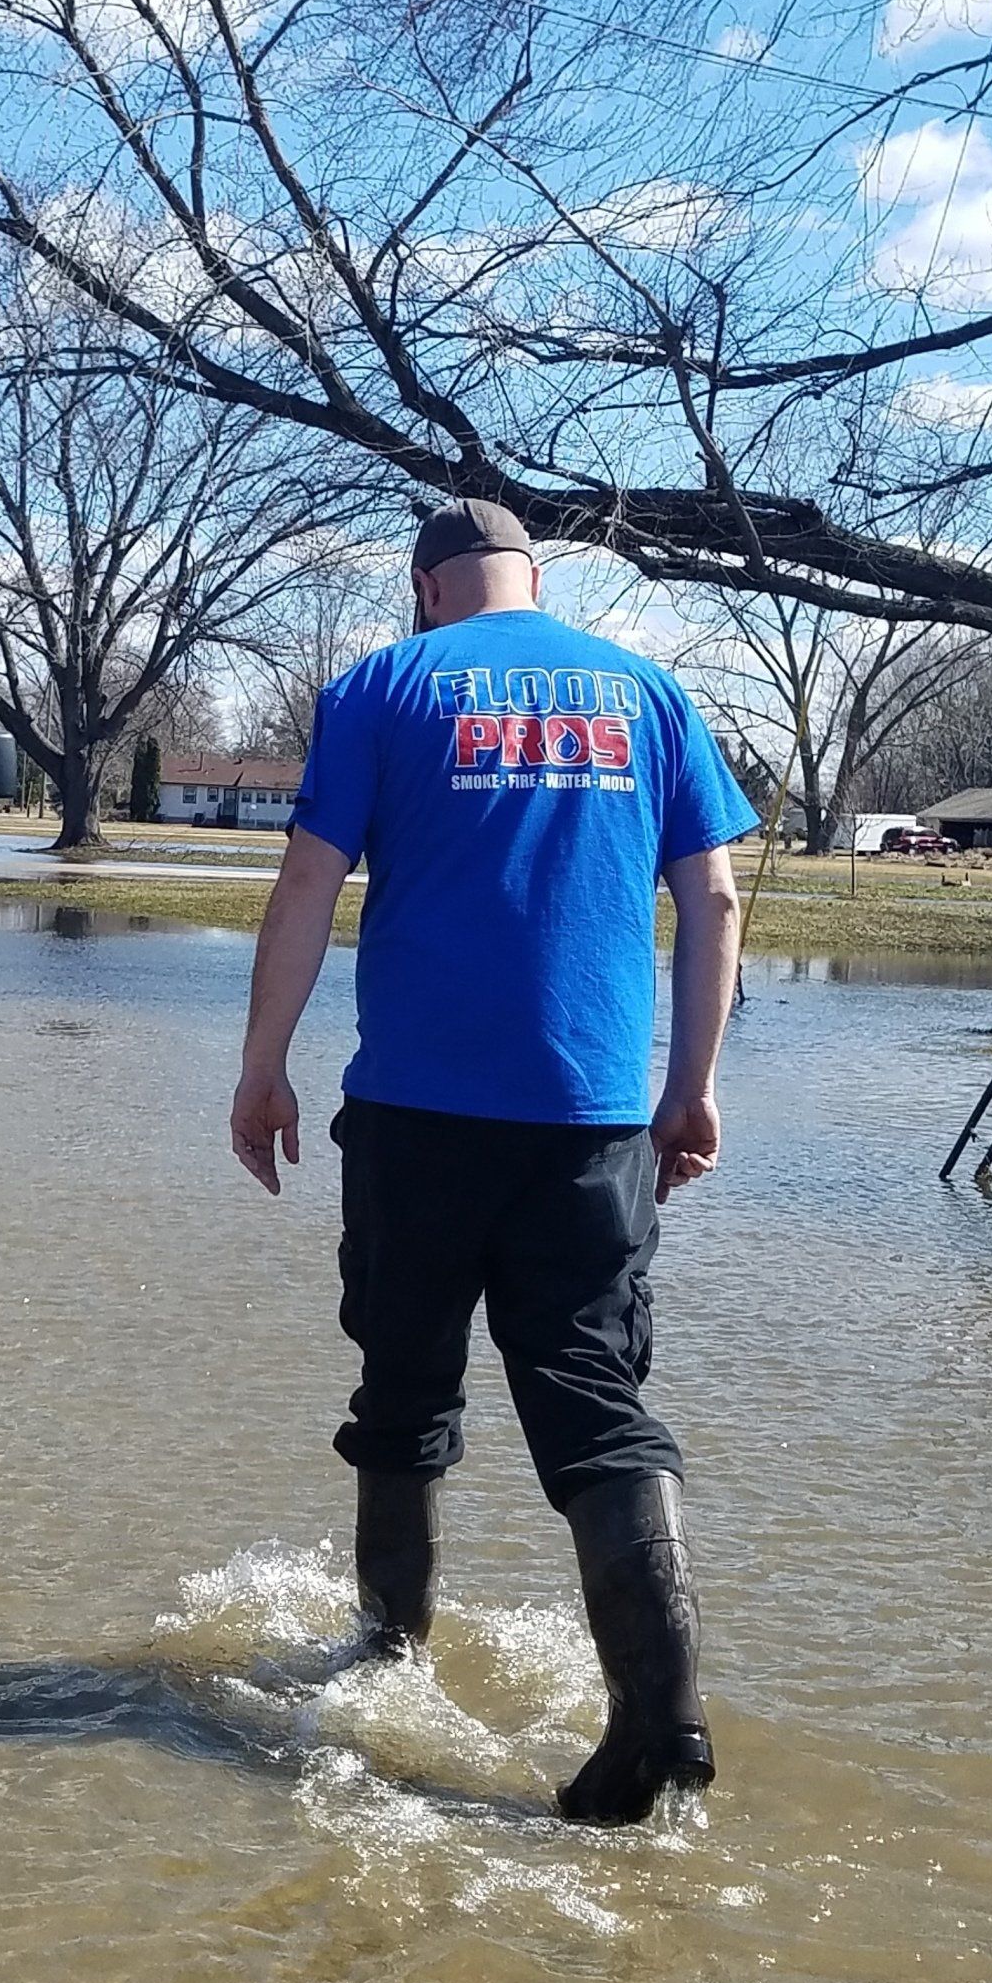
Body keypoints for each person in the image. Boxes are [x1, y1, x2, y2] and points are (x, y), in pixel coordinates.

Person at [229, 500, 756, 1825]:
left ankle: (386, 1657)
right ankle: (661, 1716)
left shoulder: (385, 686)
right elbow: (718, 898)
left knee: (405, 1395)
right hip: (589, 1117)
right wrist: (689, 1088)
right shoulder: (649, 691)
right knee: (593, 1394)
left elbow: (307, 886)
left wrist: (262, 1064)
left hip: (415, 1115)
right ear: (538, 578)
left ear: (426, 588)